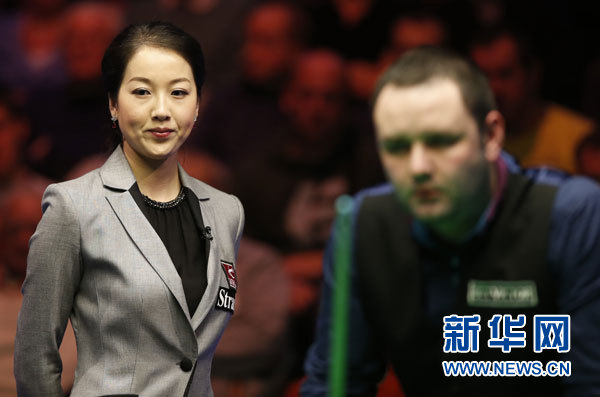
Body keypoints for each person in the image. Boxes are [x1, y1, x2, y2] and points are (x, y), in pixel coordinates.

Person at [302, 47, 600, 396]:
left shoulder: (571, 213)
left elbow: (590, 384)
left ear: (491, 136)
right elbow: (336, 384)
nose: (418, 168)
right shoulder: (363, 223)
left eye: (441, 141)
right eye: (396, 146)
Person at [14, 21, 244, 397]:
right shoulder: (72, 206)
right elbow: (34, 355)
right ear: (113, 104)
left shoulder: (226, 210)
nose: (161, 110)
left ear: (199, 104)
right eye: (141, 91)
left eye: (179, 92)